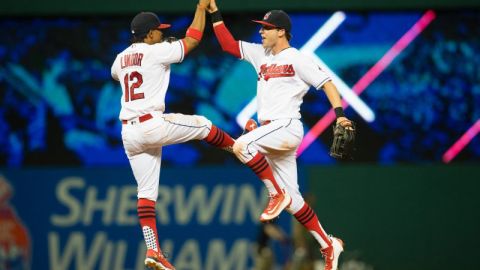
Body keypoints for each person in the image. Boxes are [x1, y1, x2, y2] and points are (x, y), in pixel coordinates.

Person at [206, 1, 353, 269]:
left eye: (267, 28)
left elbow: (327, 83)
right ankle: (328, 243)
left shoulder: (296, 58)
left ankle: (275, 193)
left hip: (286, 126)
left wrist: (340, 114)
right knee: (294, 201)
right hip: (272, 133)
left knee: (242, 146)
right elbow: (228, 44)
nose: (261, 32)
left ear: (282, 31)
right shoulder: (259, 54)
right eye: (261, 28)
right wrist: (214, 14)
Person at [110, 1, 238, 269]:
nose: (160, 33)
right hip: (150, 124)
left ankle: (153, 249)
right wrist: (201, 9)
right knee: (203, 124)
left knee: (146, 193)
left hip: (129, 133)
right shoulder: (156, 52)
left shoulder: (119, 58)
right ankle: (238, 148)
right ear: (148, 34)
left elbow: (117, 74)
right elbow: (192, 39)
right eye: (157, 31)